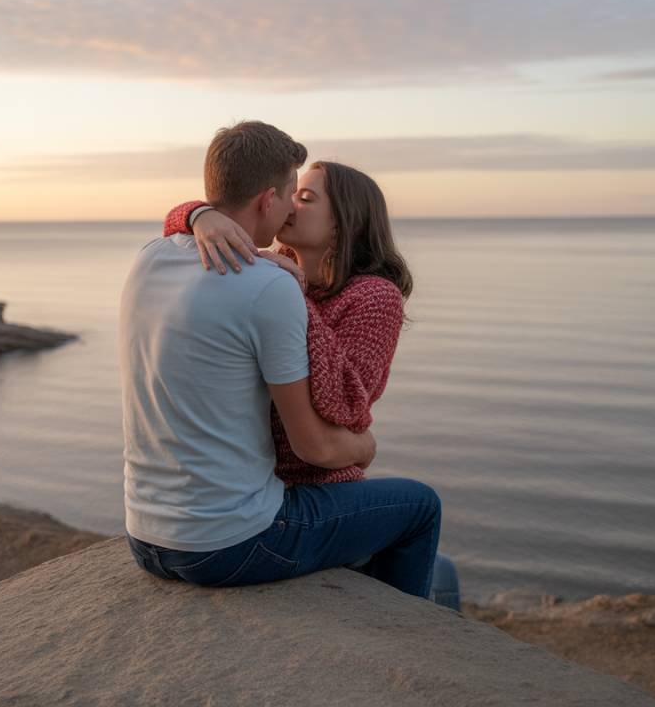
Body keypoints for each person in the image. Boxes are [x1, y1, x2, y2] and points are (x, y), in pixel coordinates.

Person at [120, 121, 442, 599]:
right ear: (267, 199)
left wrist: (284, 287)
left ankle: (404, 619)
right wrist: (198, 214)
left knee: (434, 560)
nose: (293, 204)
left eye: (308, 199)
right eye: (294, 193)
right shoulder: (265, 278)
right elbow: (331, 436)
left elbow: (347, 405)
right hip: (246, 524)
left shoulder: (155, 259)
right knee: (422, 506)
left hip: (157, 529)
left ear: (346, 221)